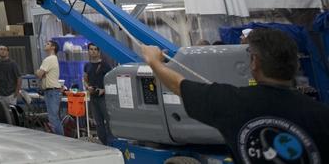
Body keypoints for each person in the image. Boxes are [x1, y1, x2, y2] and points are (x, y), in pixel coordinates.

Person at [139, 30, 329, 164]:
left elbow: (177, 84)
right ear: (296, 65)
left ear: (254, 62)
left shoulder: (232, 103)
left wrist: (154, 62)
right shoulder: (321, 115)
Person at [84, 43, 114, 145]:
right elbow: (85, 79)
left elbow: (111, 80)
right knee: (98, 123)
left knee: (108, 121)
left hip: (103, 97)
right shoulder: (87, 65)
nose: (93, 51)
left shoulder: (105, 65)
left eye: (95, 49)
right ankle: (104, 143)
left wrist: (103, 90)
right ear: (88, 51)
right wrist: (88, 87)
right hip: (93, 97)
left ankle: (112, 143)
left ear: (99, 51)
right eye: (91, 49)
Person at [36, 40, 64, 135]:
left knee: (53, 117)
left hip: (52, 92)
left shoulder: (49, 59)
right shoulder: (53, 59)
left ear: (53, 47)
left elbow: (39, 74)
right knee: (53, 117)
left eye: (48, 44)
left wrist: (38, 72)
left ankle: (61, 139)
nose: (45, 44)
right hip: (51, 91)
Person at [0, 45, 22, 116]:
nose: (2, 51)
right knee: (1, 114)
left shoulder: (13, 64)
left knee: (11, 115)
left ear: (8, 52)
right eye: (0, 49)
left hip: (10, 94)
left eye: (4, 49)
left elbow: (19, 78)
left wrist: (16, 93)